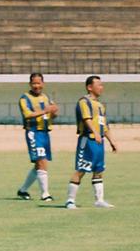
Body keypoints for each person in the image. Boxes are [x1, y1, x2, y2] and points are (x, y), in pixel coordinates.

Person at [66, 75, 117, 209]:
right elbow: (86, 118)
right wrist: (94, 132)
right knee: (81, 169)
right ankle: (70, 200)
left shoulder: (100, 105)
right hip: (87, 139)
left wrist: (111, 141)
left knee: (98, 170)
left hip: (99, 142)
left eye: (102, 84)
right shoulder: (84, 102)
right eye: (99, 84)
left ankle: (99, 200)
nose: (101, 87)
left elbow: (104, 125)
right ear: (90, 87)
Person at [17, 72, 58, 202]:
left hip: (45, 133)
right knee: (41, 162)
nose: (36, 86)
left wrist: (54, 112)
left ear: (43, 84)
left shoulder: (46, 97)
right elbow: (27, 115)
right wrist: (45, 111)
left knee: (40, 164)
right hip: (33, 132)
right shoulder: (25, 98)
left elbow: (52, 114)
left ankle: (22, 190)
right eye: (34, 83)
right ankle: (45, 194)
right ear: (30, 84)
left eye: (38, 83)